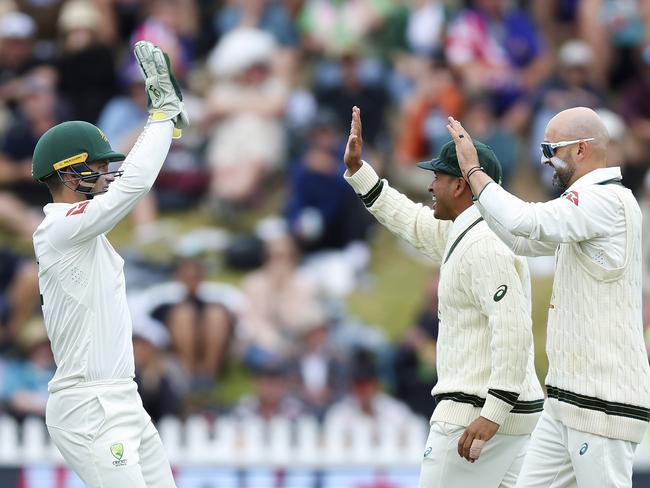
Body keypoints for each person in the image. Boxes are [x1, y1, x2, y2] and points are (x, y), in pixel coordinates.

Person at [447, 106, 650, 487]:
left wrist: (475, 173)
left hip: (603, 402)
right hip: (565, 400)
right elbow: (520, 239)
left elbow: (527, 221)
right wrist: (475, 194)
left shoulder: (606, 200)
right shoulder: (588, 208)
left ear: (581, 149)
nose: (545, 161)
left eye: (550, 149)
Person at [343, 106, 544, 487]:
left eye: (438, 176)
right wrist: (359, 171)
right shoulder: (468, 233)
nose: (431, 186)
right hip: (502, 417)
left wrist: (492, 413)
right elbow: (410, 220)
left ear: (460, 186)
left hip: (475, 415)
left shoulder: (484, 244)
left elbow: (513, 329)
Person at [31, 40, 188, 487]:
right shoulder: (58, 228)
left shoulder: (83, 231)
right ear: (67, 173)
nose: (106, 173)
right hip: (87, 402)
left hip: (121, 394)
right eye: (97, 166)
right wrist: (161, 117)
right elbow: (133, 188)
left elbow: (127, 185)